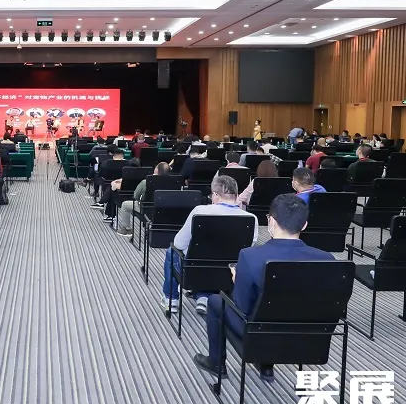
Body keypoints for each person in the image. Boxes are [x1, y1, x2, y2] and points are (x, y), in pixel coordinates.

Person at [193, 194, 333, 382]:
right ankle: (265, 365)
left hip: (259, 335)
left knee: (216, 301)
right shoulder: (327, 259)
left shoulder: (250, 256)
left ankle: (216, 363)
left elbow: (242, 307)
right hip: (309, 340)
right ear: (304, 225)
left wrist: (238, 280)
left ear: (271, 221)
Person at [162, 176, 258, 315]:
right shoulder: (251, 219)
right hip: (228, 274)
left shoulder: (200, 211)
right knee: (217, 256)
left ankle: (171, 299)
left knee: (172, 251)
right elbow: (247, 249)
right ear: (236, 195)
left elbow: (179, 243)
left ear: (215, 195)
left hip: (194, 271)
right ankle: (204, 296)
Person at [115, 162, 171, 237]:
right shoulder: (173, 182)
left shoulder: (146, 181)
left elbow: (135, 196)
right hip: (166, 210)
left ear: (156, 170)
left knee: (125, 204)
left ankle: (126, 229)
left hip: (147, 209)